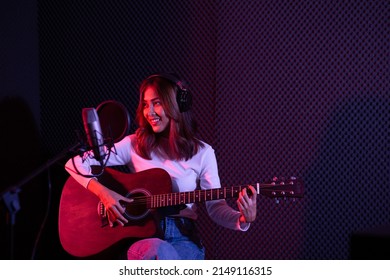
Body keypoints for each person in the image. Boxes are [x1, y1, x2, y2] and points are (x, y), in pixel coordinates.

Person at [65, 73, 257, 260]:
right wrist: (104, 194)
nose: (149, 112)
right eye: (145, 104)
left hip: (183, 238)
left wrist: (242, 219)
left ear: (176, 105)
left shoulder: (203, 153)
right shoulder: (134, 144)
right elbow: (74, 163)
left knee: (164, 254)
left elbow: (215, 207)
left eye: (156, 103)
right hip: (142, 236)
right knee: (156, 250)